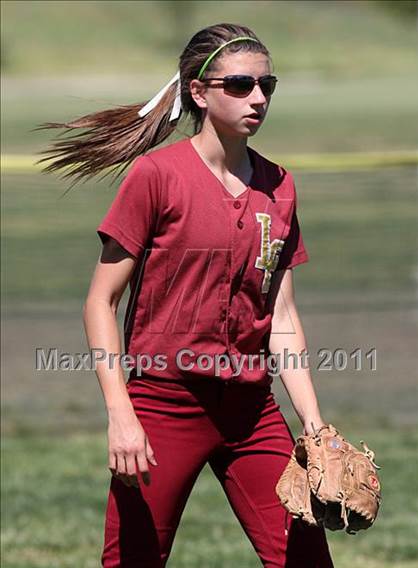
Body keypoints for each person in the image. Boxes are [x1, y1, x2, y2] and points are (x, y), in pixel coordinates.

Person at [37, 22, 334, 568]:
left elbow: (282, 315)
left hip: (251, 409)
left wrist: (314, 427)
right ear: (199, 92)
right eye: (240, 85)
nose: (258, 98)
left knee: (307, 559)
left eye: (268, 85)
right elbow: (100, 302)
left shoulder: (280, 185)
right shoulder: (157, 176)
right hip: (164, 405)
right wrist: (121, 414)